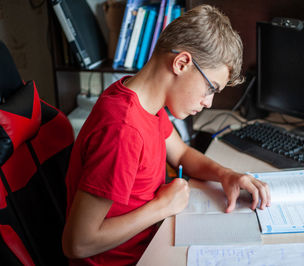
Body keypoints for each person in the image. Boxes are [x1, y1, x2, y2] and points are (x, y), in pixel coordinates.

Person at [62, 4, 271, 265]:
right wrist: (163, 206)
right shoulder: (123, 130)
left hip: (153, 241)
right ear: (182, 63)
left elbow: (181, 153)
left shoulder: (145, 103)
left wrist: (226, 175)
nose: (208, 102)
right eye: (210, 88)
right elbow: (78, 243)